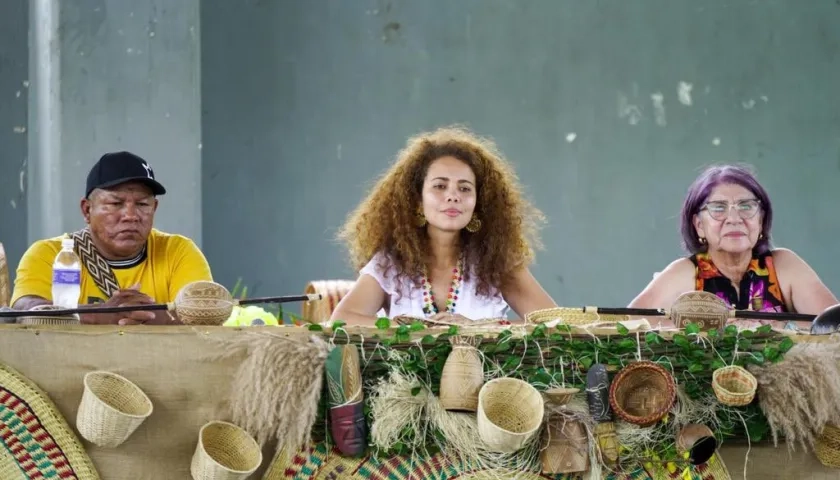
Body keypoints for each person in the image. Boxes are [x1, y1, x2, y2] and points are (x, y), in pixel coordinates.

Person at [330, 125, 557, 326]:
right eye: (440, 186)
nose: (453, 196)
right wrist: (406, 328)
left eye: (465, 188)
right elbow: (342, 320)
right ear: (417, 200)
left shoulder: (496, 261)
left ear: (479, 203)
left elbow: (555, 322)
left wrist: (481, 328)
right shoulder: (391, 262)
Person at [11, 151, 213, 325]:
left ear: (155, 208)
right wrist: (101, 315)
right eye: (116, 203)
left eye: (142, 204)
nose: (131, 215)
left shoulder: (178, 251)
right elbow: (27, 312)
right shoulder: (52, 254)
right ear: (87, 209)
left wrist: (144, 315)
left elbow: (206, 313)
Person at [629, 164, 837, 328]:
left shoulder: (784, 265)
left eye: (746, 206)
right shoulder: (687, 272)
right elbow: (628, 323)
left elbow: (833, 325)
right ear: (699, 225)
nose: (734, 218)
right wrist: (702, 328)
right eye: (719, 208)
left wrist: (772, 326)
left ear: (761, 221)